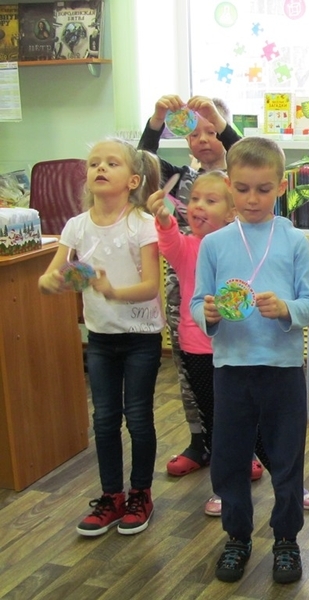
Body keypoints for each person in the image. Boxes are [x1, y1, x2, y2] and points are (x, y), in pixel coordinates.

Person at [190, 137, 309, 584]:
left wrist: (285, 308)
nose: (252, 199)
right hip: (231, 368)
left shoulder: (295, 241)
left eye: (263, 189)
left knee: (287, 458)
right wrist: (208, 314)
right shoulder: (214, 244)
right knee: (229, 459)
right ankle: (237, 537)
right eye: (243, 189)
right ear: (229, 185)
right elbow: (197, 301)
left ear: (281, 187)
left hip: (282, 369)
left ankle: (286, 539)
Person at [38, 138, 164, 537]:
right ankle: (112, 496)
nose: (100, 169)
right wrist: (51, 282)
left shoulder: (142, 224)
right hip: (101, 338)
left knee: (138, 417)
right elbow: (49, 277)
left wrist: (113, 291)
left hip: (141, 336)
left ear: (133, 180)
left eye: (111, 163)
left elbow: (150, 287)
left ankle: (140, 493)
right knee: (105, 419)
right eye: (94, 163)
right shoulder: (76, 226)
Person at [139, 94, 243, 478]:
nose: (204, 139)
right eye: (195, 133)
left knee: (234, 378)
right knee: (189, 371)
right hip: (183, 286)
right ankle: (201, 441)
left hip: (230, 292)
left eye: (212, 131)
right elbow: (142, 162)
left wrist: (219, 119)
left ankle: (242, 447)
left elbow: (248, 152)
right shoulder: (179, 177)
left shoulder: (241, 179)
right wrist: (157, 119)